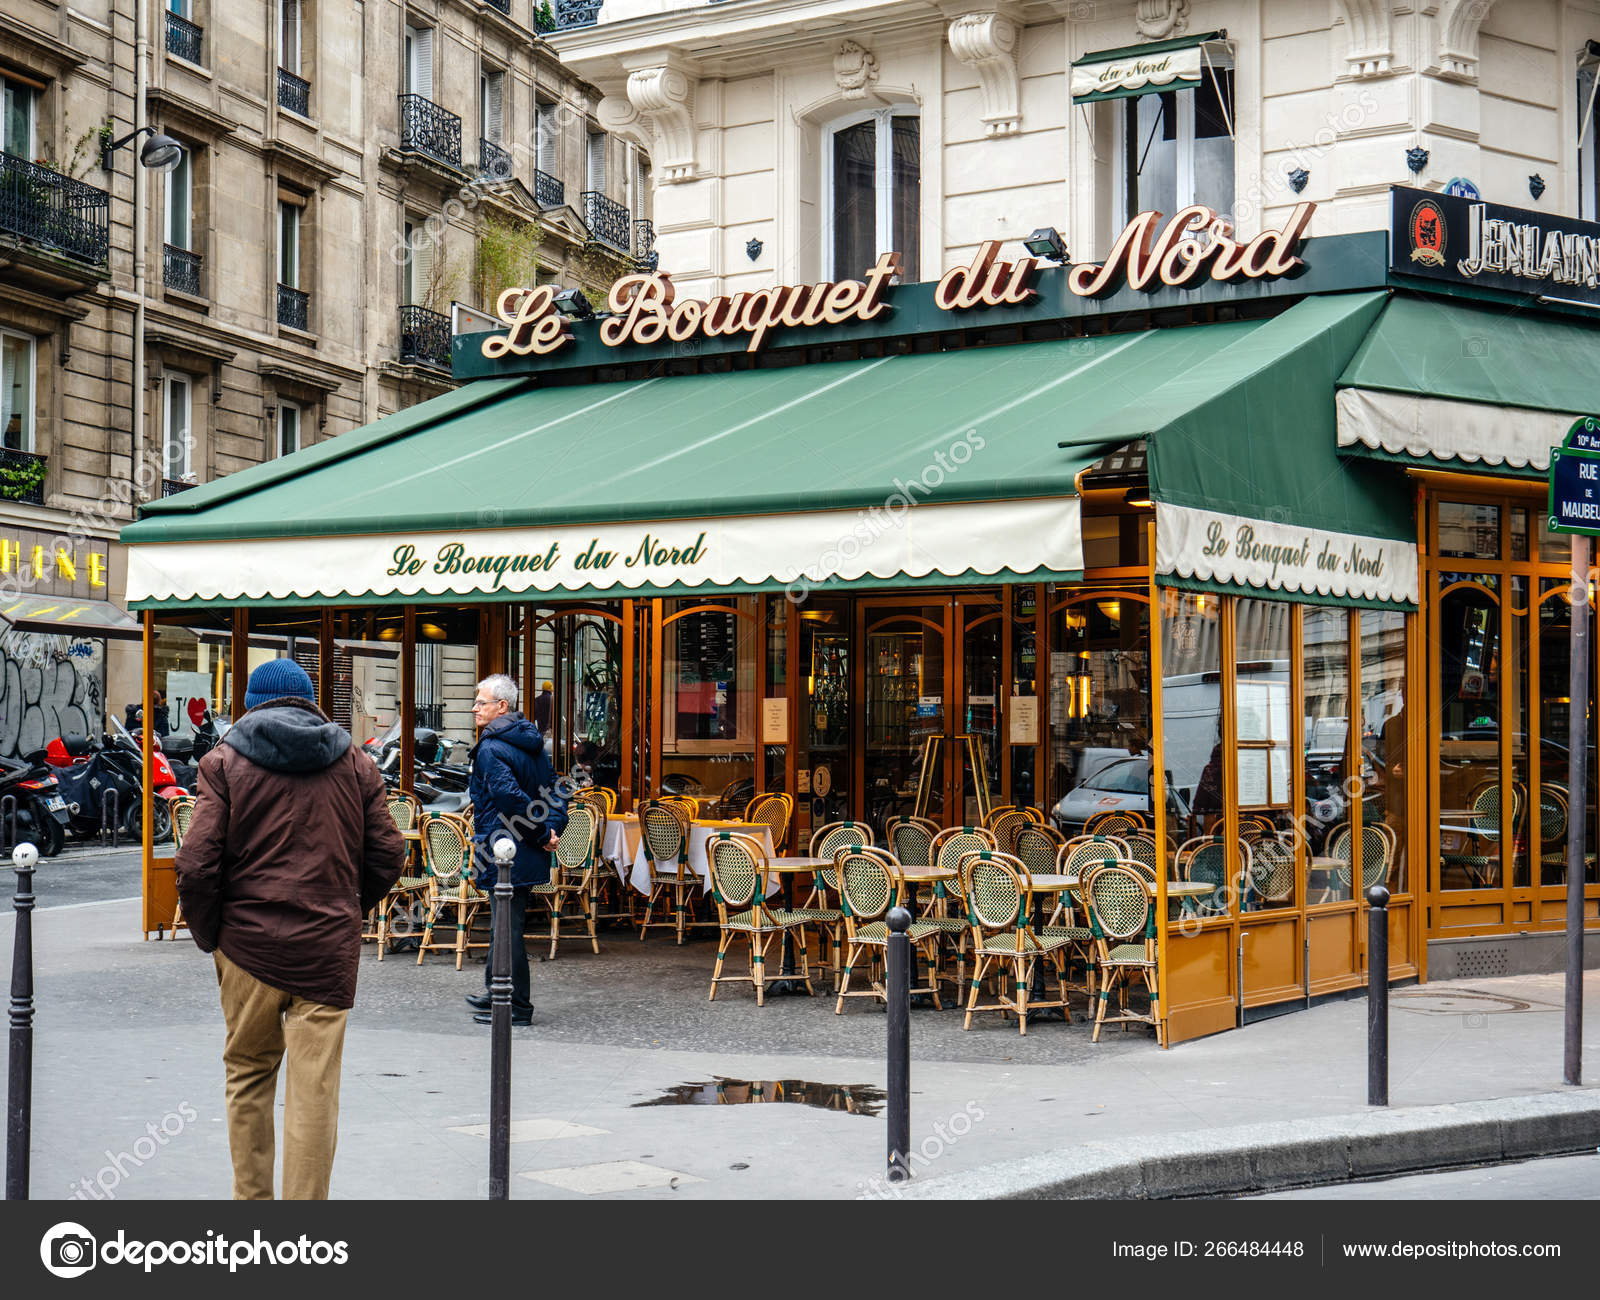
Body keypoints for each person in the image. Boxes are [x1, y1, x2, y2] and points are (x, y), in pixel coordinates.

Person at [174, 658, 405, 1200]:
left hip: (247, 947)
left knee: (249, 1073)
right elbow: (389, 853)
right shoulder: (354, 761)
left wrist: (215, 936)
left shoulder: (223, 761)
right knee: (315, 1092)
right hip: (325, 949)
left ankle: (253, 1213)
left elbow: (195, 865)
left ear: (251, 702)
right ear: (309, 702)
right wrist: (348, 909)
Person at [464, 674, 564, 1026]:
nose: (474, 707)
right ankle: (496, 991)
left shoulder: (491, 747)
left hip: (503, 849)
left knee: (508, 928)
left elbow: (510, 799)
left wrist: (540, 834)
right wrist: (551, 830)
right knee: (503, 924)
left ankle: (516, 1005)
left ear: (502, 706)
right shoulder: (533, 743)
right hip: (520, 848)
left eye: (481, 702)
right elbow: (555, 791)